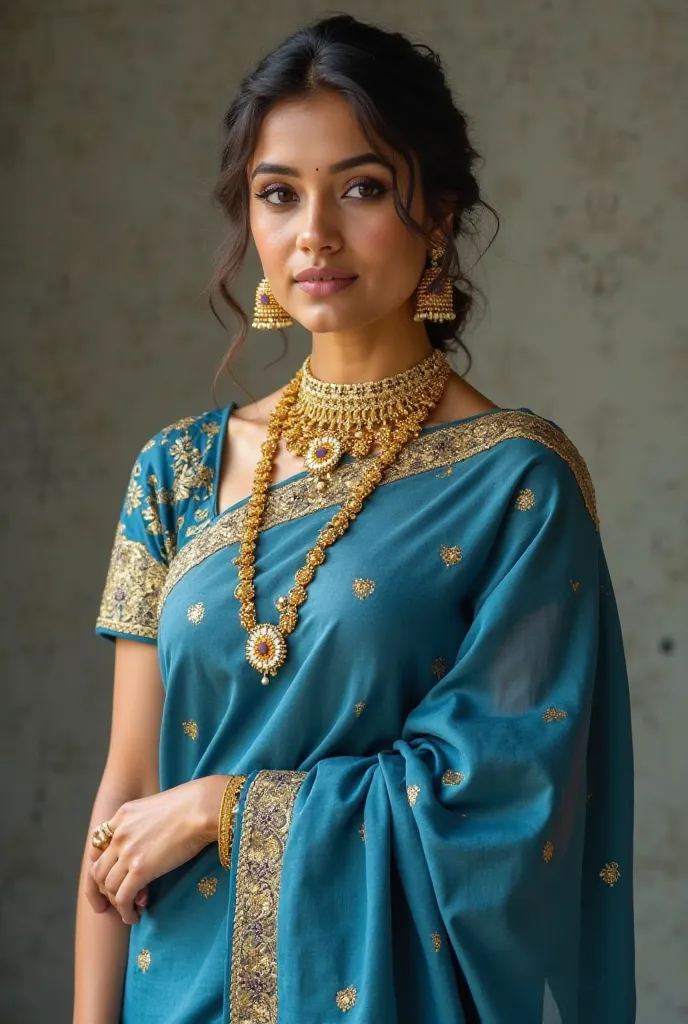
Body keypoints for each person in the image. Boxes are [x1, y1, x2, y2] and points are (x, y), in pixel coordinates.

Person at [74, 14, 635, 1024]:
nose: (313, 234)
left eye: (362, 188)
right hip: (177, 995)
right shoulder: (177, 471)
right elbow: (126, 789)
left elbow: (503, 799)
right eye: (278, 194)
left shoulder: (516, 484)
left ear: (439, 214)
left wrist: (222, 807)